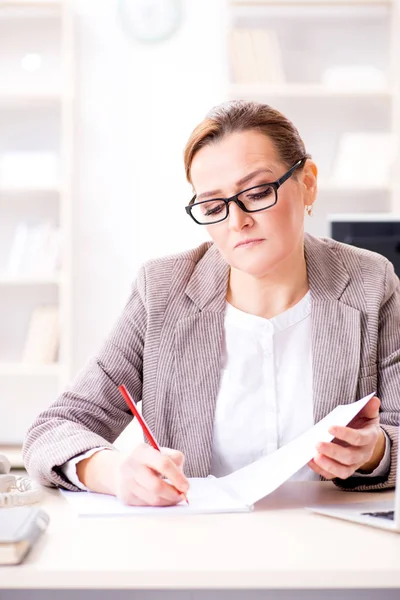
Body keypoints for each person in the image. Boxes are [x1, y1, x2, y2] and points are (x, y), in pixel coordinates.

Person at [23, 100, 399, 507]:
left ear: (307, 182)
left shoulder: (369, 282)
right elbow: (55, 429)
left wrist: (373, 451)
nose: (237, 222)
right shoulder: (163, 290)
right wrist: (117, 473)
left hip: (334, 549)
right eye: (213, 206)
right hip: (197, 547)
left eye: (257, 193)